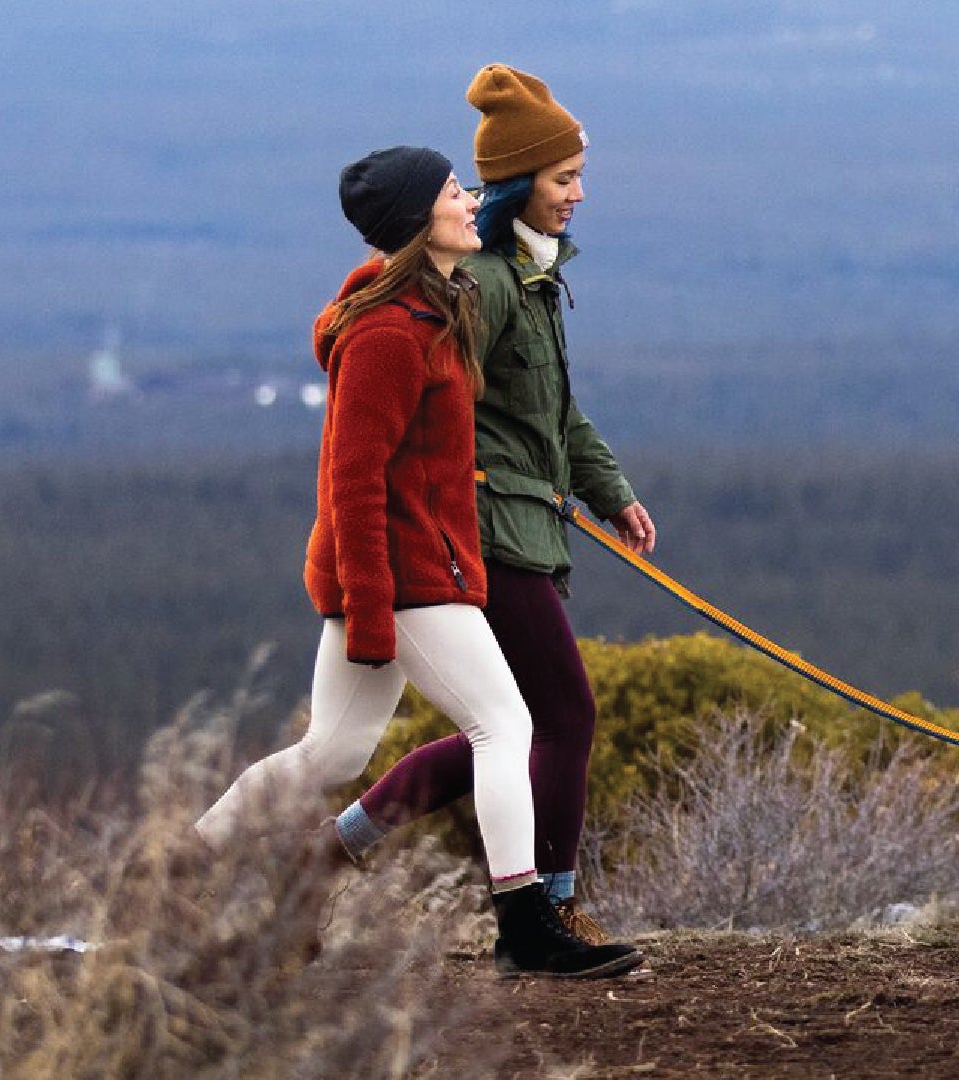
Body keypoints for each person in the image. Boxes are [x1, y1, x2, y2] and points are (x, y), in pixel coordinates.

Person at [192, 145, 643, 979]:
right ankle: (525, 924)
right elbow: (352, 480)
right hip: (403, 578)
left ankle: (181, 870)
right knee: (506, 727)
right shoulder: (389, 335)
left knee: (330, 754)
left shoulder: (434, 314)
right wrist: (370, 608)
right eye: (451, 193)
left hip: (409, 574)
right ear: (415, 224)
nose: (471, 201)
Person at [325, 66, 656, 946]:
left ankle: (340, 847)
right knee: (555, 717)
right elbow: (442, 423)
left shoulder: (528, 278)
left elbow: (556, 411)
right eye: (563, 179)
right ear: (519, 183)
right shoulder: (491, 288)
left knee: (509, 725)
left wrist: (608, 490)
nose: (578, 194)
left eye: (578, 176)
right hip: (484, 533)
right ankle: (547, 904)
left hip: (523, 524)